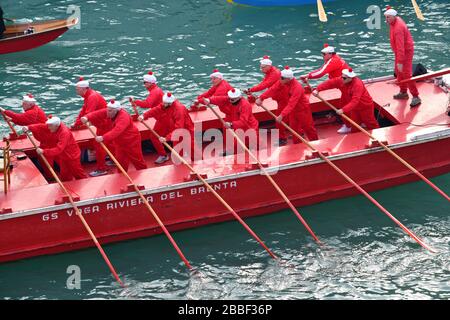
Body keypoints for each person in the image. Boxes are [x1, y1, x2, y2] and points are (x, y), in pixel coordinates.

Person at [82, 100, 147, 173]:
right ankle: (121, 175)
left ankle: (143, 173)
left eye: (109, 111)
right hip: (119, 142)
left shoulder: (123, 117)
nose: (107, 112)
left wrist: (103, 137)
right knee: (120, 160)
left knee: (137, 159)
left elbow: (117, 130)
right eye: (107, 110)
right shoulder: (111, 112)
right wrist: (87, 117)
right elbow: (98, 113)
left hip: (131, 141)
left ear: (116, 111)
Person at [256, 66, 318, 143]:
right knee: (294, 129)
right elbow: (273, 89)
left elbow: (291, 104)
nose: (279, 79)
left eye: (281, 78)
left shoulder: (297, 88)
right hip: (293, 111)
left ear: (288, 79)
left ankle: (316, 143)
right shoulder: (283, 81)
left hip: (302, 110)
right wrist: (261, 98)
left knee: (308, 127)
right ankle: (297, 144)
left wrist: (282, 115)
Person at [300, 43, 351, 133]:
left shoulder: (333, 61)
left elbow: (321, 72)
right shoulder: (332, 59)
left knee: (345, 104)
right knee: (346, 102)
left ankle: (349, 125)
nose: (322, 56)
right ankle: (356, 122)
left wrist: (308, 75)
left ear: (330, 54)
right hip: (343, 84)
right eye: (322, 54)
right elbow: (322, 69)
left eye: (324, 54)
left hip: (345, 85)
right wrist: (308, 76)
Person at [313, 68, 380, 133]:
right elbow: (330, 83)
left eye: (344, 78)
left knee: (370, 122)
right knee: (354, 124)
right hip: (354, 108)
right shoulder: (342, 80)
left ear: (350, 78)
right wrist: (318, 89)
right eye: (341, 77)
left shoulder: (357, 85)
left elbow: (355, 101)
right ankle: (355, 138)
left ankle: (378, 136)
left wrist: (343, 110)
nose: (341, 79)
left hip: (364, 106)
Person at [24, 116, 88, 181]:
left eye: (50, 126)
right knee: (64, 175)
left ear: (56, 126)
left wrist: (44, 151)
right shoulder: (54, 126)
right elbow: (41, 126)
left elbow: (59, 149)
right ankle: (67, 185)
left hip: (72, 156)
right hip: (63, 156)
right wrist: (29, 127)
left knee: (78, 174)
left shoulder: (64, 133)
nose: (48, 128)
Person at [139, 92, 197, 162]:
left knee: (194, 152)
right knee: (177, 153)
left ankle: (201, 166)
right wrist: (144, 115)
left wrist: (166, 138)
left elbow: (179, 128)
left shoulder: (179, 110)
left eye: (165, 103)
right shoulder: (165, 105)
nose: (163, 104)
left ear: (170, 103)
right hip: (176, 132)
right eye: (163, 102)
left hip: (186, 132)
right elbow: (156, 110)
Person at [73, 77, 112, 177]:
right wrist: (76, 123)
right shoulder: (88, 96)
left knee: (99, 146)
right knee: (110, 143)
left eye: (77, 89)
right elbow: (83, 111)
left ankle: (101, 169)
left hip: (104, 124)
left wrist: (80, 122)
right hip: (102, 123)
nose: (76, 91)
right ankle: (113, 160)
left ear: (84, 89)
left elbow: (87, 114)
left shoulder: (92, 97)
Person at [202, 88, 259, 155]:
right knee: (236, 145)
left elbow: (243, 122)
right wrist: (209, 100)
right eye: (230, 98)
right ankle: (235, 152)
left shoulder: (245, 105)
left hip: (249, 127)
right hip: (239, 127)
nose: (230, 101)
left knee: (256, 144)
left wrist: (231, 124)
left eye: (232, 99)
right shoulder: (231, 99)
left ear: (239, 97)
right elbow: (221, 99)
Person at [384, 6, 421, 108]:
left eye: (388, 18)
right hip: (399, 52)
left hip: (405, 52)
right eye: (386, 17)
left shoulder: (398, 29)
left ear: (394, 17)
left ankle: (416, 96)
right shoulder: (395, 20)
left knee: (406, 74)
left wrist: (400, 62)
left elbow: (401, 47)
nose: (386, 20)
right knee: (399, 72)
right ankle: (403, 92)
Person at [129, 71, 169, 164]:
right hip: (162, 117)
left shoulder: (155, 92)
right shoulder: (155, 90)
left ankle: (163, 155)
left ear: (150, 83)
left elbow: (148, 104)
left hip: (164, 118)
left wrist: (136, 101)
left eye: (145, 82)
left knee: (154, 137)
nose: (144, 84)